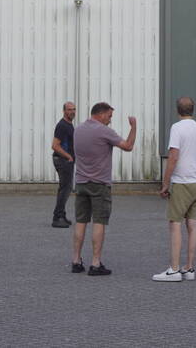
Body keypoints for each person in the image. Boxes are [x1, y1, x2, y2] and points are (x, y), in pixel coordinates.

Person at [153, 96, 196, 282]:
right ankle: (189, 268)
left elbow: (173, 156)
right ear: (193, 110)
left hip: (183, 182)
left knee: (175, 224)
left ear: (177, 110)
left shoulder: (177, 128)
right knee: (193, 224)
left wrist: (165, 183)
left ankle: (173, 270)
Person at [71, 101, 137, 276]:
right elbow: (128, 147)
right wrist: (134, 127)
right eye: (109, 116)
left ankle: (76, 260)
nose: (110, 120)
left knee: (80, 221)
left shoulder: (78, 130)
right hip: (99, 184)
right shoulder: (104, 131)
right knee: (99, 222)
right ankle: (95, 263)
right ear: (100, 114)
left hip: (81, 182)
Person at [50, 101, 77, 228]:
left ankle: (61, 215)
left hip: (66, 161)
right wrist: (68, 156)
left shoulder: (69, 125)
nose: (72, 112)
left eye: (74, 109)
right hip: (62, 161)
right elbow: (55, 146)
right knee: (65, 189)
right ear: (64, 111)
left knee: (64, 188)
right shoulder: (62, 126)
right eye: (69, 109)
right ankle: (57, 217)